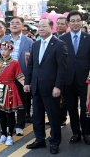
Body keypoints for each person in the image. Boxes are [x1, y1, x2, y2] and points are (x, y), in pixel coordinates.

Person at [25, 18, 67, 154]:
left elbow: (62, 68)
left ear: (51, 27)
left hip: (51, 87)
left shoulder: (59, 44)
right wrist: (27, 82)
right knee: (37, 116)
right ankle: (40, 140)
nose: (41, 28)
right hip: (36, 86)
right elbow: (31, 65)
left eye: (44, 26)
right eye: (39, 26)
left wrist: (58, 86)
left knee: (53, 117)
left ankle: (54, 142)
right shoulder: (35, 44)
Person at [0, 16, 33, 136]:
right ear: (9, 26)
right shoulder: (5, 38)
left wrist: (29, 59)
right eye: (12, 23)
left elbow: (32, 59)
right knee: (5, 101)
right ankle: (8, 125)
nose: (14, 25)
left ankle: (20, 125)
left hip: (21, 75)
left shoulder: (28, 41)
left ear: (22, 26)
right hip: (5, 76)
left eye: (17, 23)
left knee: (21, 101)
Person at [59, 11, 90, 145]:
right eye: (73, 21)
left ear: (82, 22)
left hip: (85, 80)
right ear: (68, 23)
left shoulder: (88, 38)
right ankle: (76, 133)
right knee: (71, 107)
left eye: (78, 20)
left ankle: (87, 132)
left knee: (86, 107)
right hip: (68, 79)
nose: (76, 23)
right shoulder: (62, 39)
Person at [0, 41, 25, 146]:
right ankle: (4, 135)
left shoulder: (15, 63)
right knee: (1, 113)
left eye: (5, 49)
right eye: (1, 49)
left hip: (10, 88)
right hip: (0, 89)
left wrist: (25, 85)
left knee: (10, 113)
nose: (3, 52)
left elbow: (19, 76)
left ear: (11, 50)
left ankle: (10, 135)